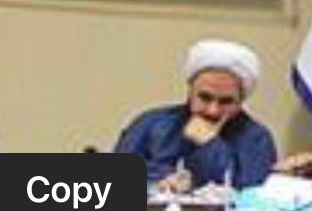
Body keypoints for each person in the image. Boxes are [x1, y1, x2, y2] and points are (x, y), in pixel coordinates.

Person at [115, 38, 277, 191]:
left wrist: (209, 144)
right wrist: (158, 183)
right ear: (190, 90)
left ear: (241, 101)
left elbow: (248, 193)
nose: (212, 110)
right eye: (205, 98)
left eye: (226, 102)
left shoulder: (257, 139)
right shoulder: (150, 125)